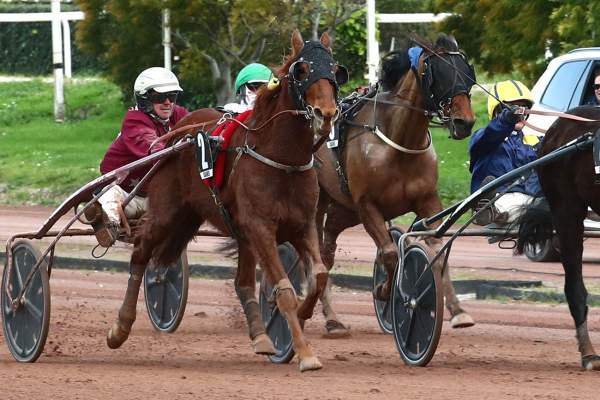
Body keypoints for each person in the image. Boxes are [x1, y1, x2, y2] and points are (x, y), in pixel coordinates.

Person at [86, 67, 189, 247]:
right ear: (144, 99)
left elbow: (201, 124)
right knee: (110, 197)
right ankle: (103, 218)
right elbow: (154, 149)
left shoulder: (178, 115)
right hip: (124, 192)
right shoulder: (135, 120)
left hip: (152, 195)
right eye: (159, 97)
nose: (167, 103)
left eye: (172, 96)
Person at [469, 80, 542, 225]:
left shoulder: (534, 141)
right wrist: (506, 120)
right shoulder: (483, 137)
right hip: (500, 198)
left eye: (524, 107)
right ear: (497, 111)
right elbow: (492, 133)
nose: (521, 112)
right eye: (515, 107)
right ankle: (486, 209)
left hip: (531, 198)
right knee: (541, 211)